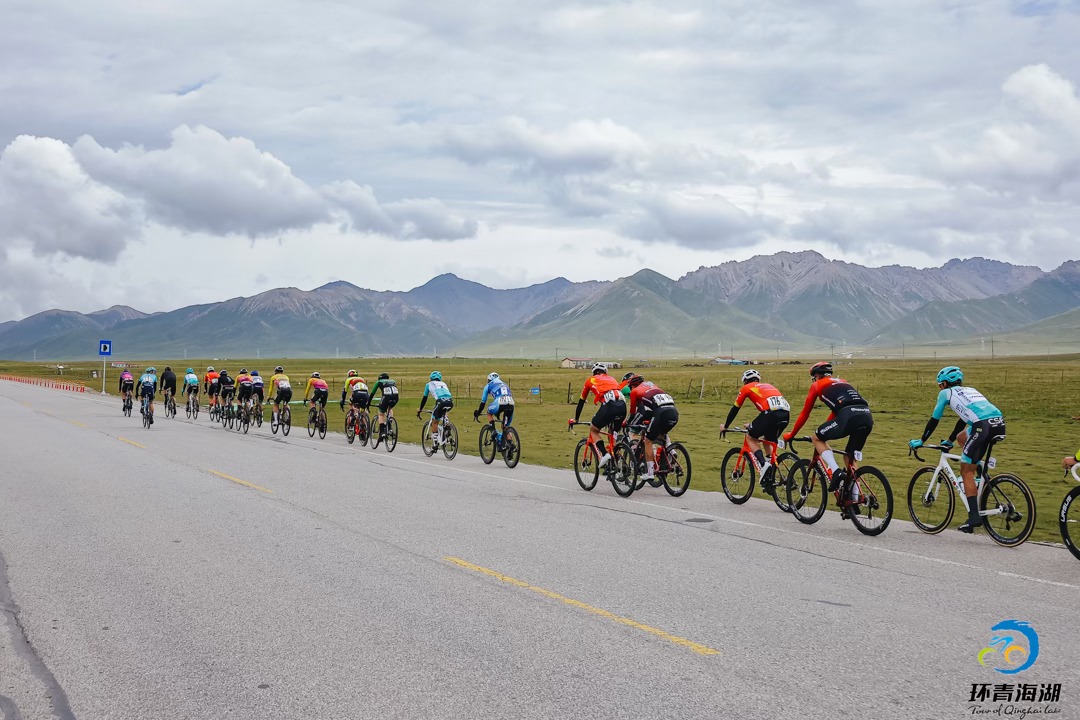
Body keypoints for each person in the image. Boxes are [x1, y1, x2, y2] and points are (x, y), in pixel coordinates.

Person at [908, 366, 1006, 533]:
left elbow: (934, 419)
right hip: (998, 423)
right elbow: (963, 420)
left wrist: (921, 440)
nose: (940, 388)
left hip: (982, 426)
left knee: (965, 471)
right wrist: (950, 440)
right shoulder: (969, 390)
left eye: (940, 385)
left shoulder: (946, 393)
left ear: (945, 384)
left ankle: (974, 517)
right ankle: (979, 474)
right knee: (962, 437)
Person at [783, 361, 873, 516]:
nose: (814, 380)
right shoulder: (843, 382)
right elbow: (836, 412)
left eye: (814, 377)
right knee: (849, 457)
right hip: (866, 416)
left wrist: (791, 434)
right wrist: (826, 427)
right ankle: (856, 497)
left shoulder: (817, 386)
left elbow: (805, 413)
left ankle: (836, 472)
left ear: (817, 375)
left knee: (817, 438)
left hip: (848, 415)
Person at [719, 369, 791, 487]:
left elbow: (735, 409)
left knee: (750, 437)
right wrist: (753, 425)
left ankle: (764, 465)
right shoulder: (768, 386)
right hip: (785, 416)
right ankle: (771, 473)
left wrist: (725, 426)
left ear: (745, 381)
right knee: (767, 439)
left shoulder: (747, 388)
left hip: (770, 415)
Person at [623, 374, 679, 482]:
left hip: (660, 413)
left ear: (633, 386)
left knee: (648, 440)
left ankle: (650, 473)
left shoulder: (635, 391)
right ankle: (670, 450)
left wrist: (627, 423)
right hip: (674, 412)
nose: (630, 390)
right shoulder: (655, 387)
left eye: (630, 387)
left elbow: (633, 411)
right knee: (661, 433)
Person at [571, 363, 627, 467]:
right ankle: (615, 459)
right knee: (612, 432)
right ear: (605, 371)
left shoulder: (590, 380)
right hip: (623, 406)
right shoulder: (612, 379)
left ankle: (605, 455)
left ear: (594, 372)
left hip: (609, 406)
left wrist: (576, 418)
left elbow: (581, 401)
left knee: (594, 429)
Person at [474, 372, 515, 447]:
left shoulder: (488, 385)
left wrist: (478, 412)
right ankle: (510, 445)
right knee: (505, 427)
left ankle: (493, 431)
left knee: (489, 412)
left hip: (500, 401)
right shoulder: (504, 384)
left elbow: (483, 402)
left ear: (489, 380)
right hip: (511, 403)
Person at [417, 371, 454, 448]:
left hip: (440, 402)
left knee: (435, 422)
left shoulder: (428, 384)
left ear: (431, 378)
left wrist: (420, 409)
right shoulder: (444, 383)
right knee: (444, 412)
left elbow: (424, 398)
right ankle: (447, 427)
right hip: (450, 401)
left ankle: (435, 443)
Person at [369, 372, 399, 445]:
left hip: (386, 397)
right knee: (390, 408)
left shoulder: (378, 382)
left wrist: (368, 403)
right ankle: (390, 425)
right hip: (396, 397)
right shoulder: (393, 381)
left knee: (381, 413)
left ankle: (382, 432)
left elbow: (372, 394)